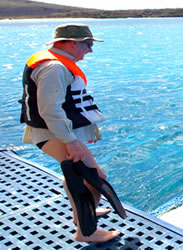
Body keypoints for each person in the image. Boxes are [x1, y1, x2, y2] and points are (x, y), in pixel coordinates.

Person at [19, 23, 121, 242]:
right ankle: (86, 231)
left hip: (53, 132)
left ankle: (82, 214)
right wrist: (71, 141)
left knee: (75, 176)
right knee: (94, 179)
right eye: (88, 44)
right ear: (73, 43)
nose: (90, 50)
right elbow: (50, 110)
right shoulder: (54, 68)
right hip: (53, 133)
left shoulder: (52, 61)